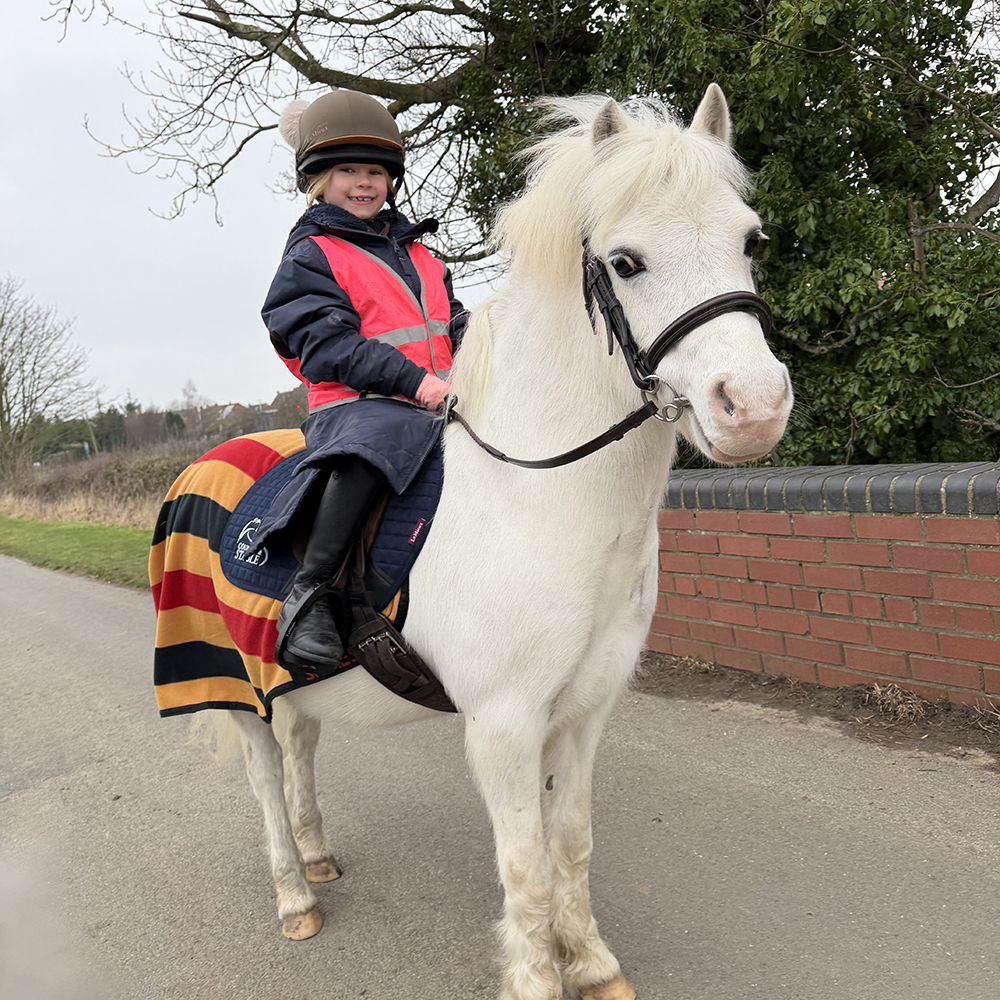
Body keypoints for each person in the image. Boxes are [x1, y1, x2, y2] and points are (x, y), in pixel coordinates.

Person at [255, 89, 467, 673]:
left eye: (375, 171)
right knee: (381, 434)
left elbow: (452, 322)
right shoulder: (311, 255)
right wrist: (417, 383)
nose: (364, 181)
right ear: (318, 180)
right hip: (355, 406)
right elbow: (328, 346)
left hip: (434, 400)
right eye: (347, 170)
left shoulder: (421, 255)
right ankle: (313, 592)